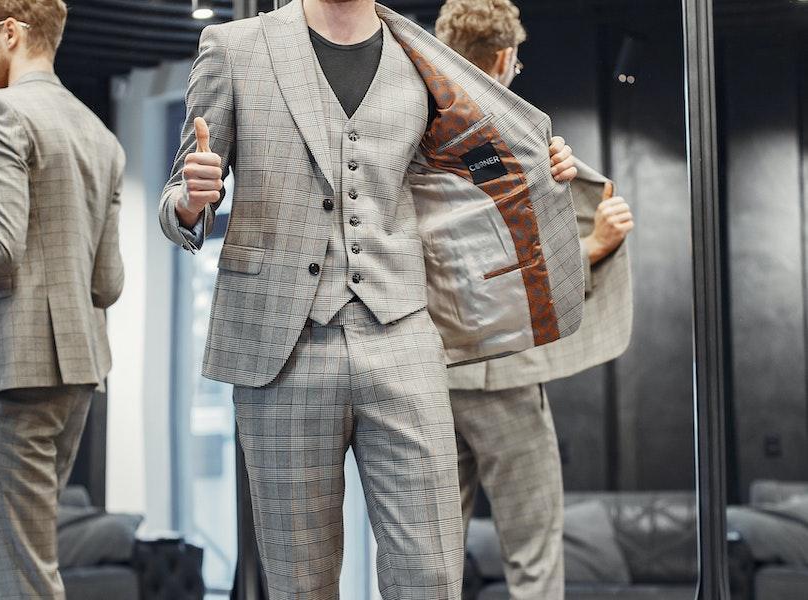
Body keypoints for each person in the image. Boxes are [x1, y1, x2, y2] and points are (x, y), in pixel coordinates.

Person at [159, 0, 580, 597]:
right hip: (280, 350)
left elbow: (466, 169)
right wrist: (188, 200)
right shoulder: (234, 47)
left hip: (402, 337)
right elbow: (180, 193)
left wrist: (544, 161)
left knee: (431, 575)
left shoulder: (418, 53)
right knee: (300, 584)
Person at [436, 1, 636, 598]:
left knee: (426, 556)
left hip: (430, 373)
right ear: (502, 59)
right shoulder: (502, 138)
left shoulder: (419, 131)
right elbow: (497, 267)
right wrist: (594, 245)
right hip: (502, 377)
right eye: (516, 64)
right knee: (534, 557)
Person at [0, 0, 124, 596]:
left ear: (10, 32)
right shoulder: (100, 136)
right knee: (36, 564)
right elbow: (109, 284)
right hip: (78, 372)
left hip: (13, 370)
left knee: (20, 576)